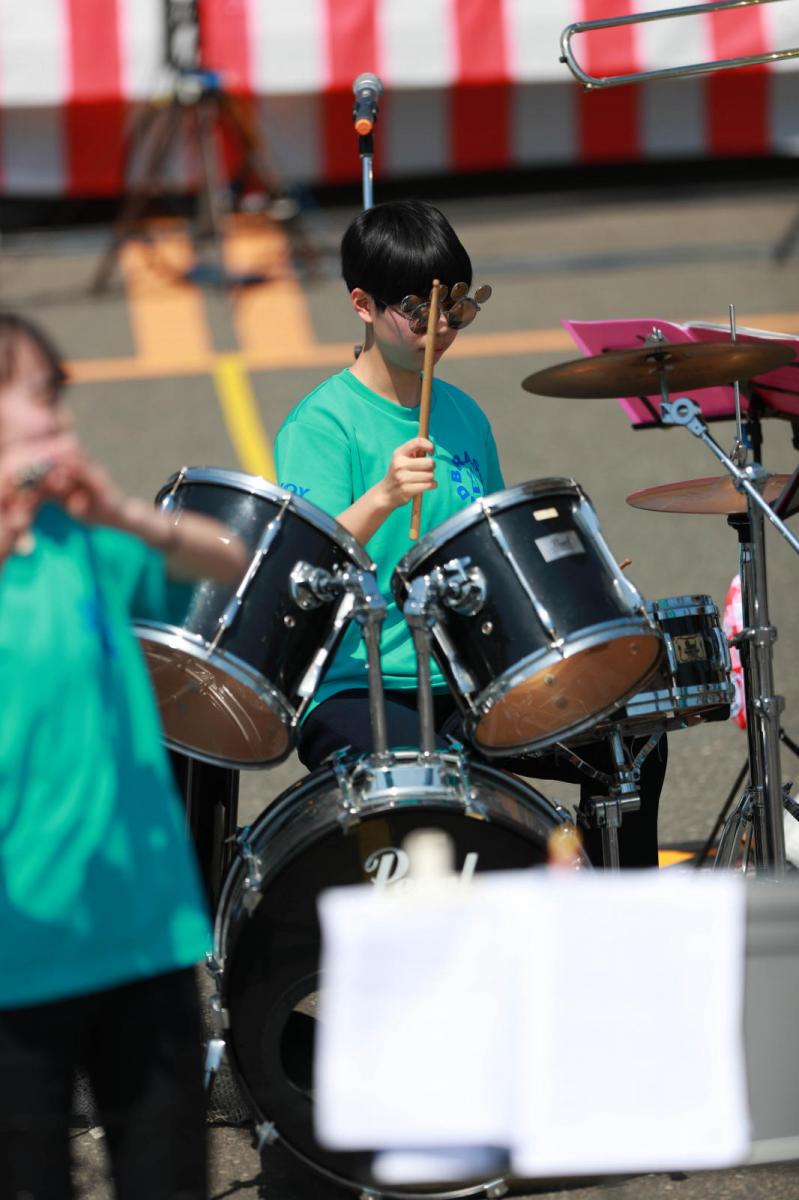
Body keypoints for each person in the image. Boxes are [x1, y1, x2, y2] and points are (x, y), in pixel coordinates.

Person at [275, 199, 667, 868]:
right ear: (362, 304)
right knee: (432, 792)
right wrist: (382, 496)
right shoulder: (320, 426)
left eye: (455, 308)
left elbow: (485, 553)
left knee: (631, 740)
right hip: (358, 685)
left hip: (465, 681)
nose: (440, 327)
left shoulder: (463, 415)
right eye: (417, 309)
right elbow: (302, 571)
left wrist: (567, 581)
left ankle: (613, 916)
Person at [0, 313, 248, 1200]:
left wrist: (123, 515)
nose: (64, 419)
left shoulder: (81, 540)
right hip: (19, 949)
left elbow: (229, 555)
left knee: (166, 1179)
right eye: (42, 399)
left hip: (143, 935)